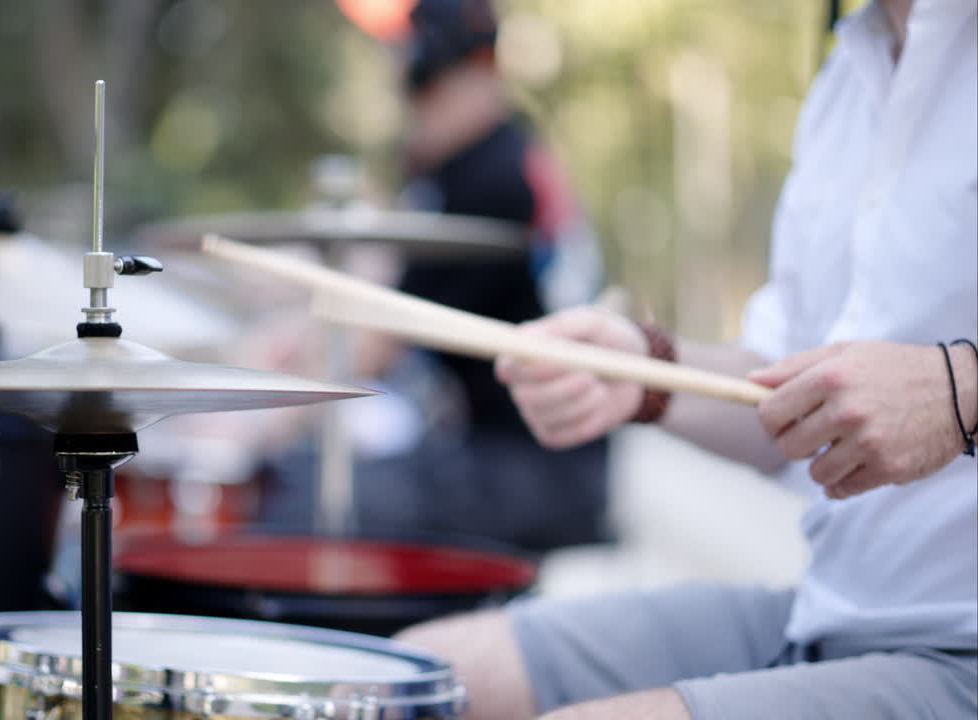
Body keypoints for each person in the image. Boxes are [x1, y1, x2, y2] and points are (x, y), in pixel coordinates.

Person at [393, 0, 977, 717]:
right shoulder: (843, 77)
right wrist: (643, 373)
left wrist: (960, 391)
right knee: (420, 676)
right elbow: (784, 392)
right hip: (826, 614)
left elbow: (938, 392)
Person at [257, 0, 611, 553]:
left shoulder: (489, 180)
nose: (412, 109)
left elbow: (377, 340)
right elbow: (381, 290)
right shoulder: (496, 156)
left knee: (295, 496)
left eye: (421, 89)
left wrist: (259, 425)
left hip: (534, 468)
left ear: (473, 73)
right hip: (519, 456)